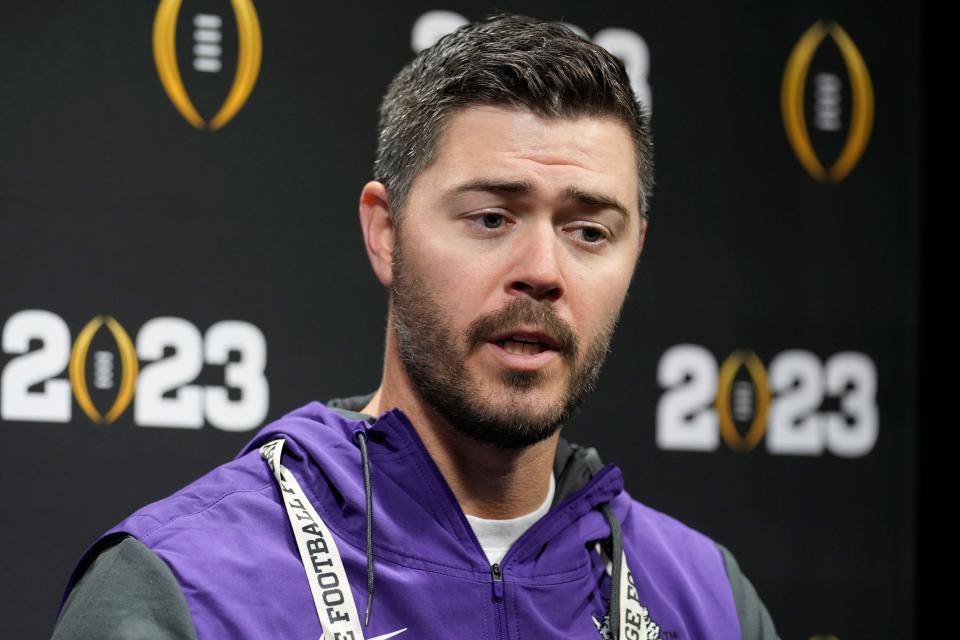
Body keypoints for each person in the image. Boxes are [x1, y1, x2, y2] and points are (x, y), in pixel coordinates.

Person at [52, 12, 780, 640]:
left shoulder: (708, 600)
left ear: (635, 252)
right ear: (386, 232)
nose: (543, 269)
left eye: (589, 231)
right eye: (492, 217)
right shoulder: (187, 583)